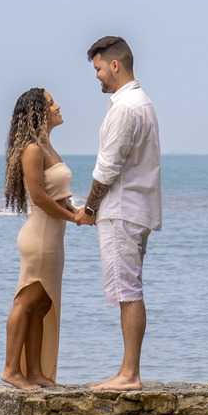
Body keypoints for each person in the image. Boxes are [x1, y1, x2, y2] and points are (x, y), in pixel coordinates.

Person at [73, 35, 162, 391]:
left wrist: (89, 209)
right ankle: (128, 371)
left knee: (128, 290)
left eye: (97, 68)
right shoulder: (142, 103)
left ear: (115, 64)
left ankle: (130, 374)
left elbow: (106, 168)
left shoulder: (126, 108)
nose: (96, 76)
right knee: (129, 288)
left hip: (121, 210)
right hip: (135, 208)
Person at [1, 87, 84, 390]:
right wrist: (73, 217)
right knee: (26, 301)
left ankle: (35, 372)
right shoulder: (33, 150)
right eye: (51, 103)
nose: (58, 106)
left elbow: (58, 197)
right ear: (39, 112)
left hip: (53, 238)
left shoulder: (48, 147)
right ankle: (11, 370)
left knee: (41, 305)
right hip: (39, 237)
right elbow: (39, 198)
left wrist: (79, 211)